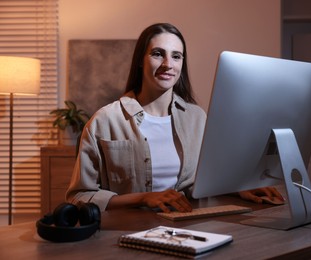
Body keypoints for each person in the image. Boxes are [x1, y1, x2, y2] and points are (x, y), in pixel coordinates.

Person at [66, 23, 283, 213]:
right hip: (124, 233)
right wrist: (143, 198)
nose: (168, 64)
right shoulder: (104, 121)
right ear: (141, 61)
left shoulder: (197, 118)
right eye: (158, 54)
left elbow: (204, 182)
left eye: (176, 56)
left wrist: (240, 188)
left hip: (186, 226)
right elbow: (79, 196)